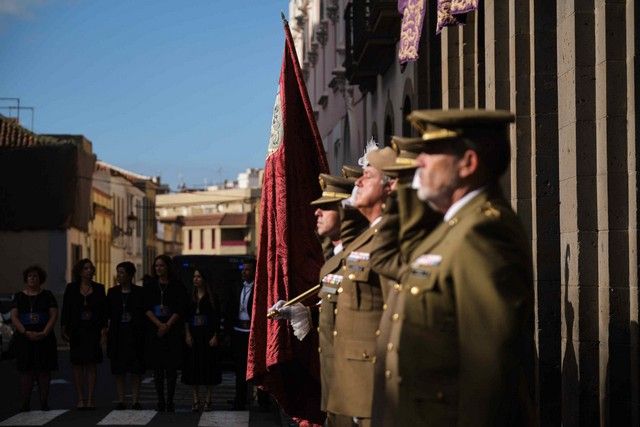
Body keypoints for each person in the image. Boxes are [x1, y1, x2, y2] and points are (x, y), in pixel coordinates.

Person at [374, 109, 536, 426]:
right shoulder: (453, 227)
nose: (418, 162)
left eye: (431, 152)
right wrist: (407, 188)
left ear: (468, 163)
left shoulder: (482, 232)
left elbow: (487, 370)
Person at [270, 171, 367, 426]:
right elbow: (336, 309)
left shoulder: (360, 256)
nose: (316, 213)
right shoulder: (334, 260)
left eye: (326, 207)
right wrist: (303, 312)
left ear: (346, 210)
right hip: (335, 374)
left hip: (358, 374)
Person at [325, 143, 396, 426]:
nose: (358, 181)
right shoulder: (368, 238)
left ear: (391, 187)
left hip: (371, 385)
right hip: (349, 382)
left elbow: (395, 319)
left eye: (368, 175)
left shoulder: (390, 238)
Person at [10, 265, 58, 412]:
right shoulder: (19, 296)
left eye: (35, 276)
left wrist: (44, 332)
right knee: (26, 371)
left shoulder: (48, 295)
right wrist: (25, 332)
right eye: (30, 276)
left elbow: (53, 315)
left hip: (44, 338)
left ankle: (44, 402)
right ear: (26, 279)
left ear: (40, 279)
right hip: (24, 338)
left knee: (44, 371)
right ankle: (25, 403)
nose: (32, 278)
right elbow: (14, 316)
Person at [143, 254, 188, 412]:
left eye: (162, 265)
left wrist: (167, 325)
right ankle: (160, 400)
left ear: (168, 267)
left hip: (172, 331)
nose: (159, 268)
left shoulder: (177, 285)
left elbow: (180, 308)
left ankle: (170, 400)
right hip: (155, 331)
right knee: (157, 369)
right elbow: (146, 308)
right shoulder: (150, 286)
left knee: (171, 369)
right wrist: (159, 325)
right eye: (156, 266)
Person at [61, 258, 107, 410]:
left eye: (90, 268)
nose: (89, 271)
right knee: (78, 365)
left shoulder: (99, 288)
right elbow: (66, 310)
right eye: (86, 268)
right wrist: (64, 328)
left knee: (92, 364)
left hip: (93, 330)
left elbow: (103, 312)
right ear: (80, 271)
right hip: (77, 330)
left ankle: (91, 398)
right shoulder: (71, 288)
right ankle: (80, 398)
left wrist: (104, 330)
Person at [227, 261, 269, 410]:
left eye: (248, 270)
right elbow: (230, 308)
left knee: (258, 367)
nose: (244, 272)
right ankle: (240, 400)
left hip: (253, 333)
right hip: (239, 331)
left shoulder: (260, 288)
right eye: (243, 270)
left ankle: (263, 401)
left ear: (254, 271)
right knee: (240, 369)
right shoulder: (237, 287)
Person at [182, 268, 222, 412]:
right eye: (194, 277)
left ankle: (208, 399)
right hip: (194, 335)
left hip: (207, 335)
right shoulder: (190, 297)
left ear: (204, 279)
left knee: (208, 367)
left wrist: (216, 335)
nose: (196, 279)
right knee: (194, 368)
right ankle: (195, 400)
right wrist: (187, 334)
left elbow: (217, 318)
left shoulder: (213, 297)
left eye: (198, 276)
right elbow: (186, 318)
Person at [106, 261, 145, 410]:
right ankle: (121, 400)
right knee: (119, 370)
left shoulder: (139, 292)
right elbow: (108, 314)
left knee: (136, 370)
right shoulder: (112, 292)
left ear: (130, 275)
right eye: (118, 272)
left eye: (122, 272)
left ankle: (135, 400)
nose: (119, 275)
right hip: (117, 335)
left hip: (135, 335)